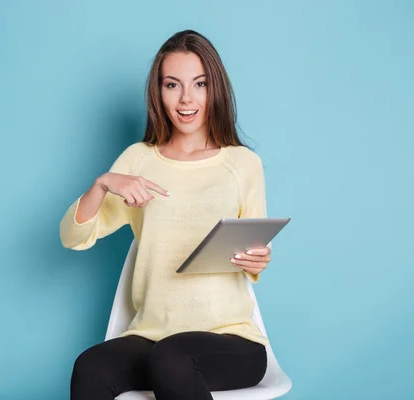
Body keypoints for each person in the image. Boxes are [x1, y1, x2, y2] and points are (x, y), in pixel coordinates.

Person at [59, 29, 273, 400]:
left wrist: (258, 257)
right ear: (158, 92)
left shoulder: (243, 163)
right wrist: (103, 184)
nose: (186, 98)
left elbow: (253, 258)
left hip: (231, 338)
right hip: (153, 336)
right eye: (172, 85)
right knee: (90, 366)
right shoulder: (138, 160)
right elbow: (73, 237)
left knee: (172, 358)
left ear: (214, 89)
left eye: (199, 84)